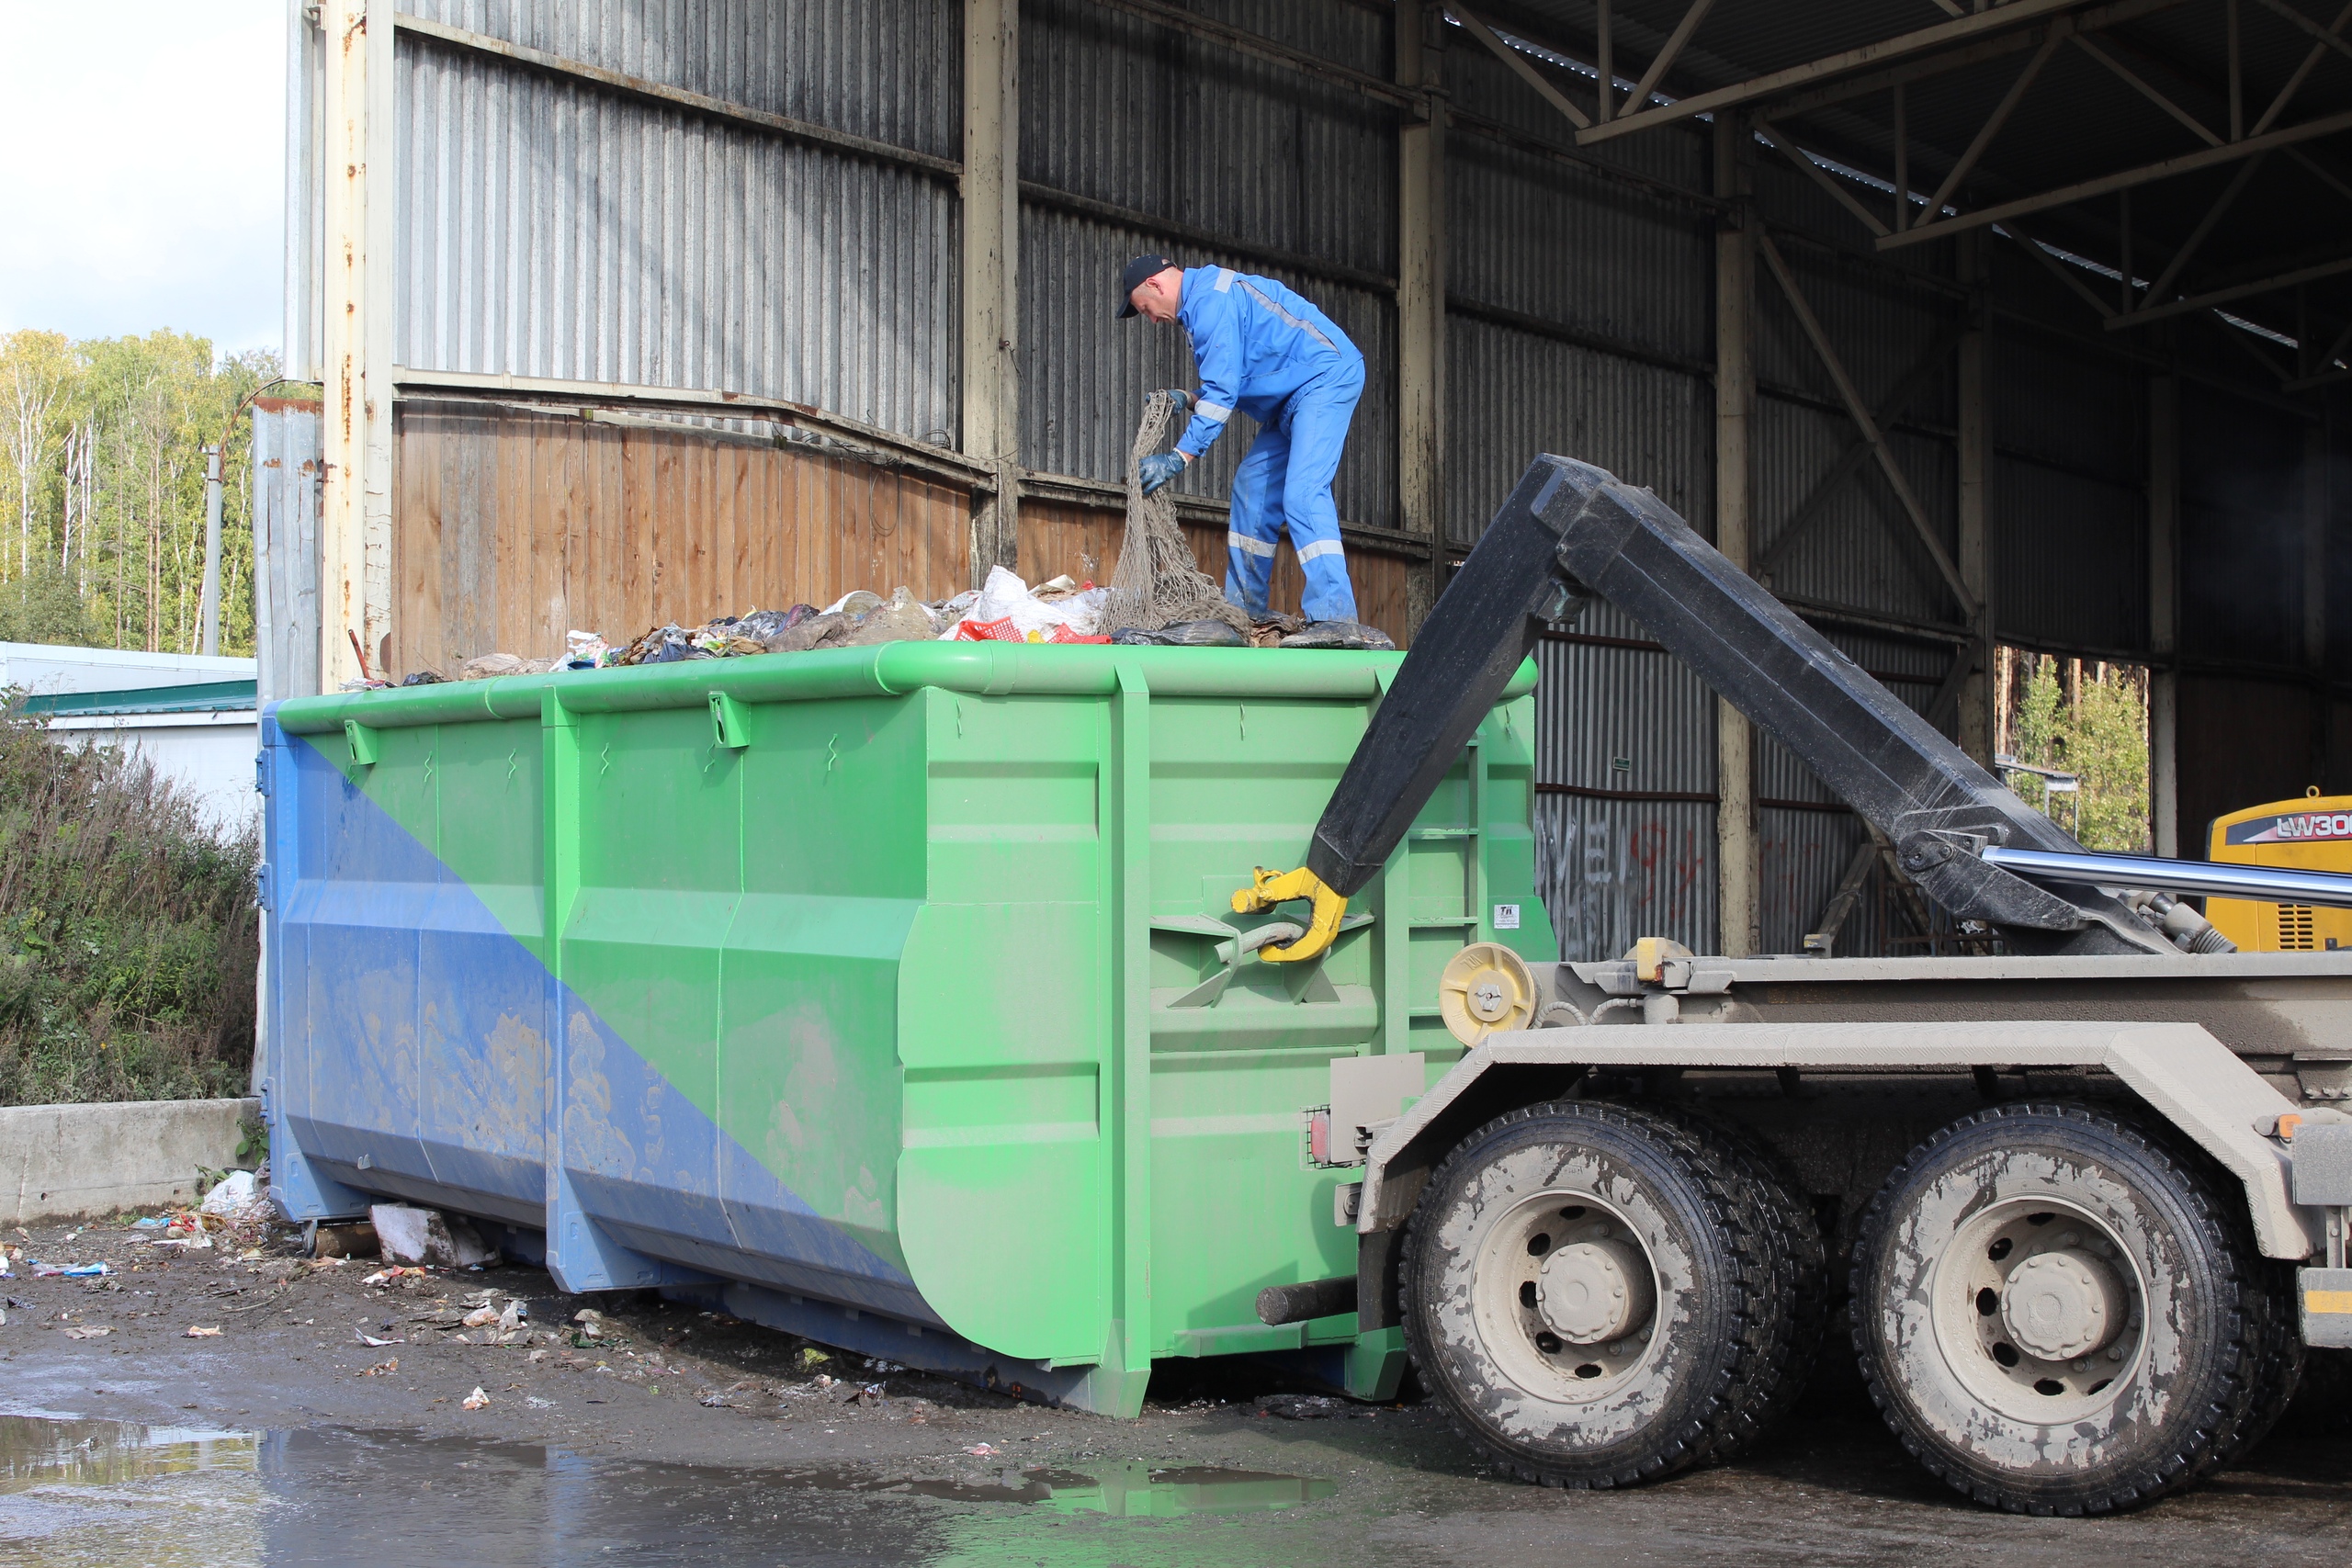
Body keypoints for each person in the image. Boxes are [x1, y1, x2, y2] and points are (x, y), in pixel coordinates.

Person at [1119, 254, 1363, 624]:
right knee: (1251, 488)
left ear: (1155, 285)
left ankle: (1334, 616)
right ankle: (1244, 610)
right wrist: (1187, 397)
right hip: (1288, 398)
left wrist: (1180, 456)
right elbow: (1232, 380)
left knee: (1303, 493)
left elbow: (1223, 394)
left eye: (1146, 309)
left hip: (1323, 379)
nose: (1152, 319)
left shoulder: (1209, 301)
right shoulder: (1202, 302)